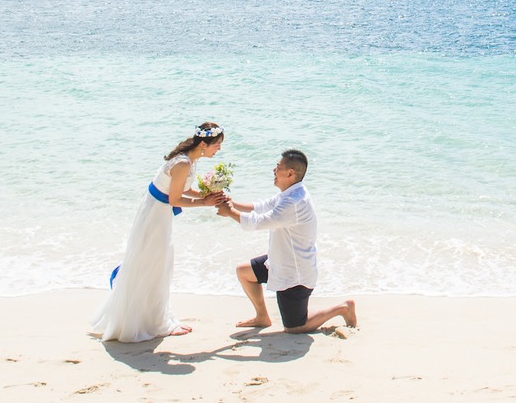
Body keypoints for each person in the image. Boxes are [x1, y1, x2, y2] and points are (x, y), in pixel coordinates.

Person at [91, 122, 228, 342]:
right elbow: (174, 199)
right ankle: (155, 323)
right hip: (155, 216)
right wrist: (205, 202)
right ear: (204, 144)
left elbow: (181, 189)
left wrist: (207, 195)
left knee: (158, 264)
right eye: (217, 144)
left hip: (157, 212)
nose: (219, 149)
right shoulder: (183, 163)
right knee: (155, 264)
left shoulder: (189, 159)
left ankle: (153, 317)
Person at [217, 149, 357, 333]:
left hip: (295, 275)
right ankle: (262, 317)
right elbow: (261, 207)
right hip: (279, 261)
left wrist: (229, 212)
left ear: (290, 173)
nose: (274, 170)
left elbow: (261, 222)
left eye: (278, 167)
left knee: (295, 328)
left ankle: (342, 308)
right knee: (244, 272)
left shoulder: (294, 202)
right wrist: (231, 203)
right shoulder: (290, 193)